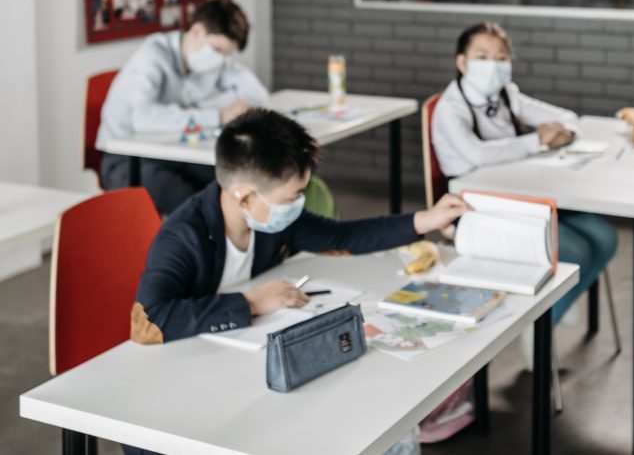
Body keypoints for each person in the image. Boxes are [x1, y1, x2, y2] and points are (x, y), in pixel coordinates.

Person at [130, 108, 467, 345]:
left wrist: (426, 219)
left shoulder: (271, 217)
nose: (299, 202)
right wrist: (252, 302)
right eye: (292, 195)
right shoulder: (183, 236)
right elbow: (149, 322)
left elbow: (342, 236)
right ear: (245, 196)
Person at [431, 22, 618, 328]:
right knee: (574, 251)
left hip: (518, 195)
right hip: (475, 209)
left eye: (502, 57)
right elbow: (477, 154)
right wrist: (537, 141)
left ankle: (552, 314)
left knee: (605, 237)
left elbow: (565, 117)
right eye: (482, 56)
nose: (493, 65)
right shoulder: (450, 108)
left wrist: (564, 133)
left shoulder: (506, 94)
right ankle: (538, 332)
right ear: (462, 62)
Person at [98, 0, 269, 214]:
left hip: (174, 152)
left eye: (225, 54)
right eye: (217, 50)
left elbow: (257, 93)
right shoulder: (152, 56)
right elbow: (143, 118)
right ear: (197, 31)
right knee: (196, 205)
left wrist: (209, 107)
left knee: (236, 183)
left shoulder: (210, 61)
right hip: (127, 160)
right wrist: (216, 115)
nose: (220, 59)